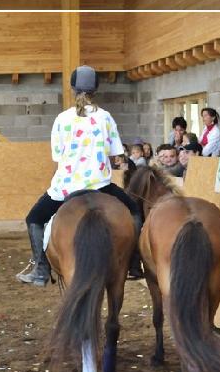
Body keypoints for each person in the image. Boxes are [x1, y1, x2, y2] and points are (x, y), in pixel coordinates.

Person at [16, 65, 144, 286]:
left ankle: (41, 268)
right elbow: (116, 154)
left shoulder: (62, 119)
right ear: (96, 89)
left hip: (65, 187)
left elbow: (57, 156)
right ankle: (133, 261)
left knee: (34, 219)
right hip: (101, 186)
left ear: (73, 88)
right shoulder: (105, 117)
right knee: (134, 210)